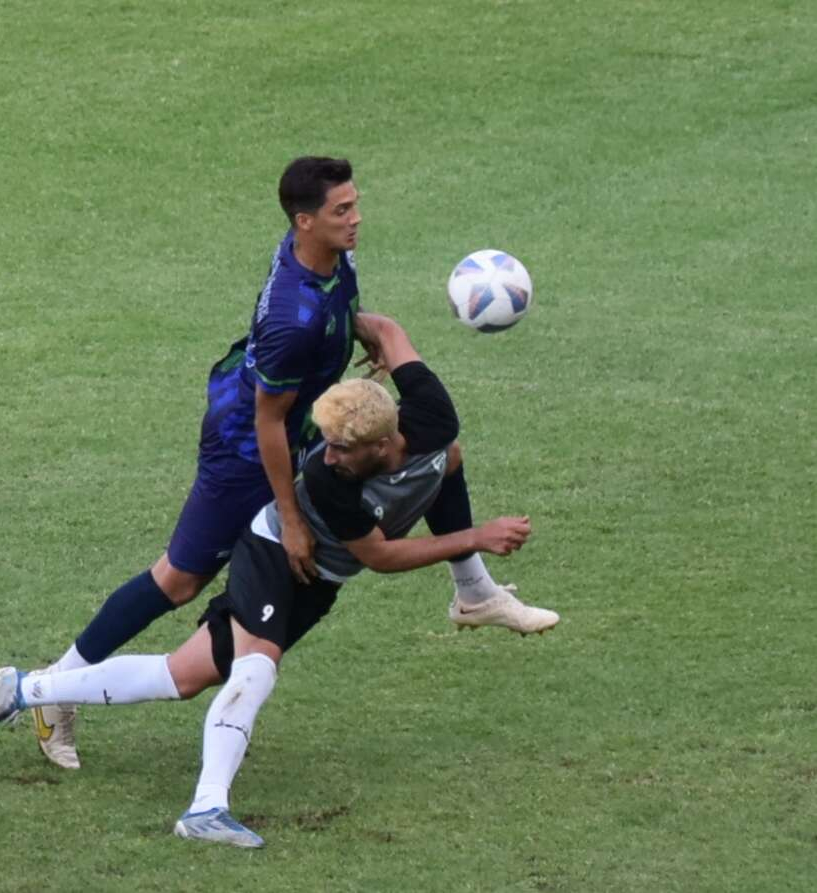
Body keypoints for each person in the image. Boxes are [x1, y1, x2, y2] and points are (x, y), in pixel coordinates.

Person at [30, 158, 557, 770]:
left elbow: (341, 311)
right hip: (246, 449)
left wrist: (358, 332)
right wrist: (292, 517)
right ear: (304, 221)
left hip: (306, 424)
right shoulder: (291, 318)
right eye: (342, 211)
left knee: (444, 456)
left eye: (355, 205)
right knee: (180, 579)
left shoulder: (331, 258)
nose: (356, 219)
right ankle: (55, 687)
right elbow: (267, 421)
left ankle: (474, 592)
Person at [0, 313, 558, 848]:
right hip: (274, 553)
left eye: (342, 447)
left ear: (383, 442)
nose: (327, 455)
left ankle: (26, 689)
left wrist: (352, 320)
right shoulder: (328, 478)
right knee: (256, 670)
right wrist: (476, 536)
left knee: (182, 676)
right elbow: (380, 556)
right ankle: (206, 809)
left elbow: (391, 330)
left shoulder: (431, 413)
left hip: (317, 581)